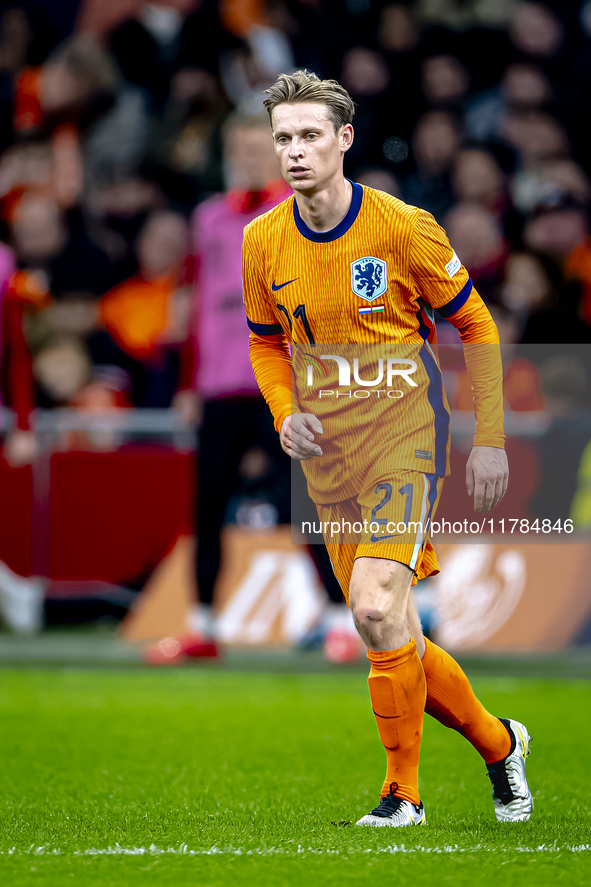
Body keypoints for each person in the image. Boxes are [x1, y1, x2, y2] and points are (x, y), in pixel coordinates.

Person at [242, 70, 533, 827]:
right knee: (389, 627)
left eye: (310, 135)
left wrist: (489, 441)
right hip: (327, 456)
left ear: (343, 139)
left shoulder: (403, 226)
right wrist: (283, 413)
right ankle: (500, 743)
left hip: (405, 438)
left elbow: (476, 326)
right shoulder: (261, 241)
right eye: (283, 138)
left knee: (373, 606)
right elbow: (264, 343)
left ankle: (401, 796)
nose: (295, 151)